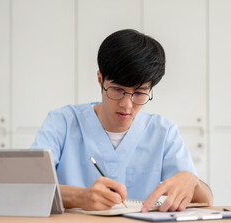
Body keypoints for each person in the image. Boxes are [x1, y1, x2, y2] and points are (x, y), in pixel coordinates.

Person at [31, 29, 213, 212]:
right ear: (100, 79)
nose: (127, 105)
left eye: (140, 93)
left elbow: (208, 201)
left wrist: (192, 182)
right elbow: (27, 187)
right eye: (117, 90)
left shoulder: (163, 132)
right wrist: (80, 197)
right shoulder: (62, 122)